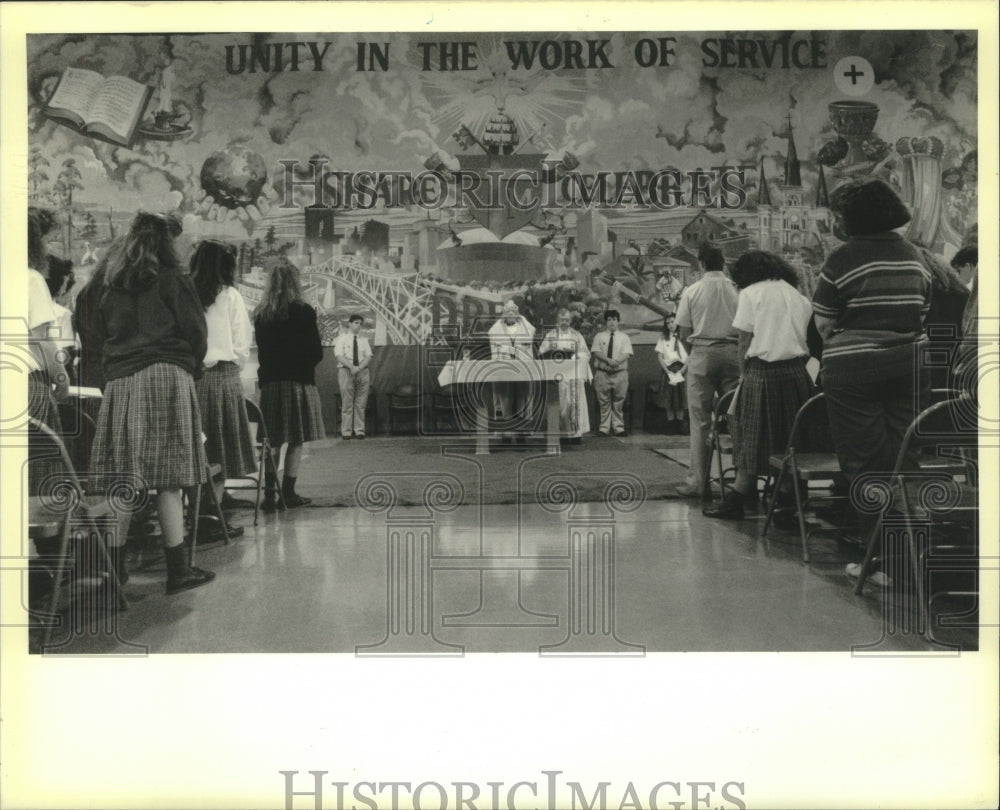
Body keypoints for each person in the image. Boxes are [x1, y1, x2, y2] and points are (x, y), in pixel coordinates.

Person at [88, 212, 215, 595]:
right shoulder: (175, 278)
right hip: (167, 376)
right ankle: (178, 571)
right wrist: (190, 368)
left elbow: (95, 336)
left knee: (124, 480)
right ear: (167, 242)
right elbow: (196, 332)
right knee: (169, 480)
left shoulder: (110, 283)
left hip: (122, 382)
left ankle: (113, 574)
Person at [811, 178, 932, 559]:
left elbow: (824, 324)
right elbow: (921, 313)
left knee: (864, 462)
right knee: (904, 456)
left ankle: (878, 559)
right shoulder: (915, 255)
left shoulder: (842, 257)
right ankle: (913, 555)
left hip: (854, 370)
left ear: (852, 218)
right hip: (911, 365)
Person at [703, 251, 818, 520]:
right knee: (790, 438)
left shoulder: (751, 293)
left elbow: (744, 339)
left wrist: (744, 374)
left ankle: (738, 498)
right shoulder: (797, 295)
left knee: (750, 436)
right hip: (797, 373)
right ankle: (788, 501)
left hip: (762, 371)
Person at [189, 240, 256, 519]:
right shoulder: (229, 295)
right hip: (224, 374)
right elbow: (242, 341)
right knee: (222, 442)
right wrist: (236, 365)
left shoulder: (187, 293)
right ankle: (212, 510)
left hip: (193, 376)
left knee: (201, 444)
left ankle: (210, 501)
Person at [253, 258, 325, 510]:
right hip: (299, 382)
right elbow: (316, 352)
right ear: (296, 282)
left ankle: (269, 496)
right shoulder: (304, 311)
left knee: (272, 441)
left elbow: (262, 352)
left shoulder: (261, 314)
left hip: (271, 384)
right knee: (296, 439)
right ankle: (289, 493)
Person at [673, 245, 740, 499]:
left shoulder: (693, 290)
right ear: (723, 263)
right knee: (736, 420)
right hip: (733, 354)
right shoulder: (736, 289)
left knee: (700, 421)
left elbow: (681, 332)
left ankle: (697, 484)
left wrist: (695, 351)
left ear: (701, 264)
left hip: (701, 354)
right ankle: (740, 483)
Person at [538, 307, 591, 444]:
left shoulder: (576, 335)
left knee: (573, 403)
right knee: (559, 404)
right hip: (557, 377)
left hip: (573, 376)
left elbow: (586, 354)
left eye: (567, 320)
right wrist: (551, 352)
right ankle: (559, 434)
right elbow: (541, 352)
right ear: (557, 320)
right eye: (562, 320)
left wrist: (574, 355)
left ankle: (575, 434)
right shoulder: (550, 335)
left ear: (570, 321)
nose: (564, 322)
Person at [487, 299, 537, 440]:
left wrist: (521, 317)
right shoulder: (497, 328)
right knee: (504, 397)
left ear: (518, 314)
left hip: (522, 367)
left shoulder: (524, 326)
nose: (510, 313)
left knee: (522, 396)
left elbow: (531, 332)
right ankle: (506, 431)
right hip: (505, 367)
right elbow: (493, 337)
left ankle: (522, 430)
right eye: (507, 311)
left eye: (513, 311)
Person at [590, 309, 633, 436]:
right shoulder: (599, 336)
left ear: (618, 321)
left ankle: (618, 428)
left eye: (614, 319)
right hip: (603, 373)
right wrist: (608, 361)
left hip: (620, 373)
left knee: (619, 401)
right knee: (604, 401)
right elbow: (596, 352)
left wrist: (615, 362)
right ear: (606, 322)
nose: (611, 322)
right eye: (609, 320)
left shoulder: (624, 337)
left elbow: (627, 353)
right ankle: (604, 428)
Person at [334, 313, 372, 439]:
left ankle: (360, 430)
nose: (358, 326)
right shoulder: (341, 339)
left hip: (363, 372)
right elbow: (339, 356)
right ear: (349, 324)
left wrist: (359, 368)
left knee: (361, 403)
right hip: (346, 372)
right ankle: (346, 432)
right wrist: (352, 367)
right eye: (356, 323)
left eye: (360, 324)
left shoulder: (364, 340)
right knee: (347, 403)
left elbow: (368, 356)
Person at [653, 312, 688, 434]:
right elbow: (660, 357)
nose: (670, 325)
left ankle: (680, 422)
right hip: (668, 369)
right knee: (669, 398)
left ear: (677, 322)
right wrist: (667, 371)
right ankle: (670, 422)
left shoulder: (685, 337)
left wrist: (682, 371)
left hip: (682, 369)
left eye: (672, 322)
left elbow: (689, 356)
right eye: (667, 323)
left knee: (680, 398)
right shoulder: (663, 338)